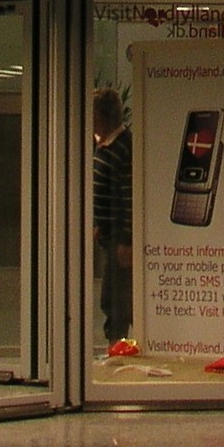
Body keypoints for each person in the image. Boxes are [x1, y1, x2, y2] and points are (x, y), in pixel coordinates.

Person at [88, 88, 133, 346]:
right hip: (109, 233)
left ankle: (118, 343)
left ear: (101, 116)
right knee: (112, 294)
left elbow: (128, 195)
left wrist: (126, 240)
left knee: (116, 297)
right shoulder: (104, 146)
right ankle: (115, 341)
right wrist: (99, 224)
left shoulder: (122, 147)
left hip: (119, 236)